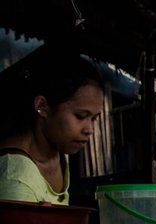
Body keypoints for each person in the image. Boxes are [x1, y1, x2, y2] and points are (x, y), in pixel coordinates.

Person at [0, 46, 105, 205]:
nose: (89, 129)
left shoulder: (60, 151)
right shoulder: (16, 178)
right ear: (42, 106)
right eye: (80, 116)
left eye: (94, 119)